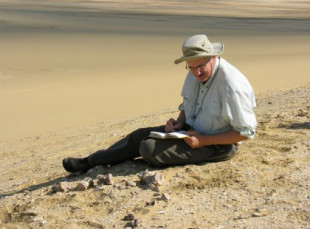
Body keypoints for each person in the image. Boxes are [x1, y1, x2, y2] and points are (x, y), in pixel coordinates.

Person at [62, 34, 257, 173]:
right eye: (191, 67)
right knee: (138, 137)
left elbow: (246, 133)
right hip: (189, 131)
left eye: (201, 67)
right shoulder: (193, 73)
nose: (196, 72)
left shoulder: (232, 85)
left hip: (218, 144)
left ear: (213, 57)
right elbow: (187, 106)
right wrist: (179, 123)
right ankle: (89, 162)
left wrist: (203, 141)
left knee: (148, 148)